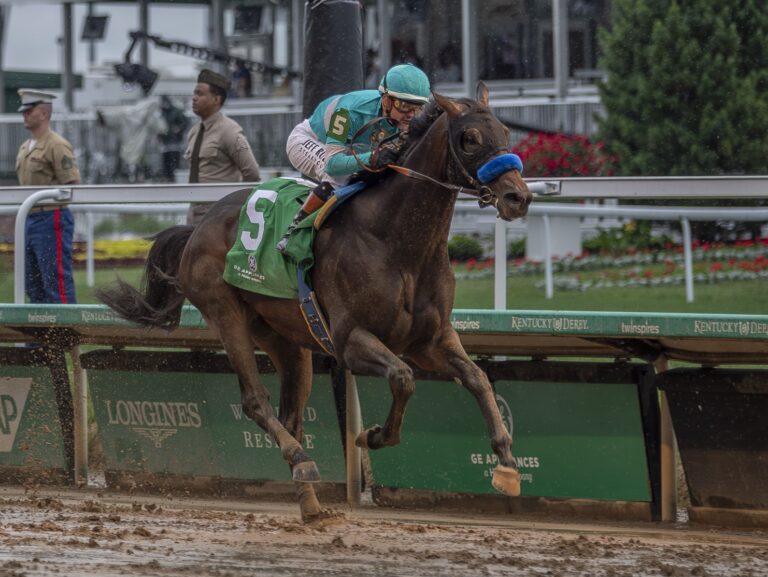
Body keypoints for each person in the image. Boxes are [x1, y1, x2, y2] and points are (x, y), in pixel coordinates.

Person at [278, 63, 431, 252]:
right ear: (386, 101)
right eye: (404, 106)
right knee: (338, 178)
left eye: (417, 108)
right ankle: (293, 234)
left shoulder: (406, 119)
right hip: (308, 141)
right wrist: (374, 156)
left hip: (352, 150)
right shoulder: (348, 112)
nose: (411, 115)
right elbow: (333, 164)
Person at [15, 89, 81, 304]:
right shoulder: (25, 147)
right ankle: (39, 336)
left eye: (29, 111)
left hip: (51, 217)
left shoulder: (56, 145)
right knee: (32, 284)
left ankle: (64, 336)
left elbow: (71, 184)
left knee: (56, 283)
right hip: (29, 218)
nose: (24, 115)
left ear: (43, 114)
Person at [185, 68, 261, 224]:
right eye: (194, 93)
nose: (194, 98)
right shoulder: (194, 131)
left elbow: (252, 174)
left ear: (216, 99)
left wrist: (234, 206)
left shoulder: (229, 130)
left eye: (200, 94)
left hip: (218, 217)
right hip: (194, 212)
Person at [158, 95, 188, 182]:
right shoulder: (162, 113)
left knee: (174, 160)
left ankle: (174, 177)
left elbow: (184, 122)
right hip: (165, 141)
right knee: (166, 160)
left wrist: (178, 129)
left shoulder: (176, 111)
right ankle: (167, 176)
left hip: (175, 141)